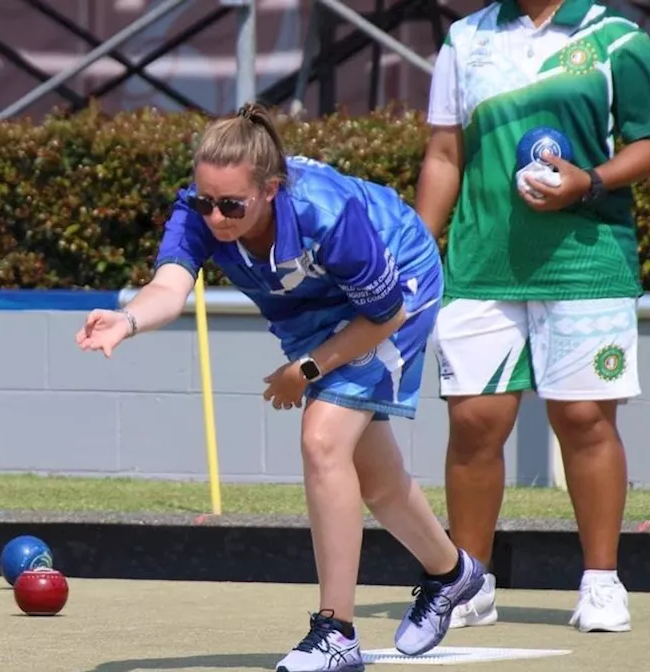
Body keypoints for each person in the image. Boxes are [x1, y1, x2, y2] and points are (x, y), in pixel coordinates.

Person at [76, 103, 486, 672]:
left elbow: (386, 313)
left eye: (231, 205)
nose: (215, 217)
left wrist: (308, 370)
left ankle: (336, 632)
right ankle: (452, 574)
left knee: (322, 440)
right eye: (205, 201)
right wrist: (127, 320)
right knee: (376, 479)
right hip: (312, 310)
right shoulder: (200, 211)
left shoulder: (327, 212)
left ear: (270, 189)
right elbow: (168, 286)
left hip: (398, 290)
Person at [416, 0, 650, 634]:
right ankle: (470, 583)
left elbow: (647, 142)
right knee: (472, 422)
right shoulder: (465, 40)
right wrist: (414, 254)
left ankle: (602, 582)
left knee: (583, 420)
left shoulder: (617, 37)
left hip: (585, 263)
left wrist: (589, 182)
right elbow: (443, 153)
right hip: (480, 263)